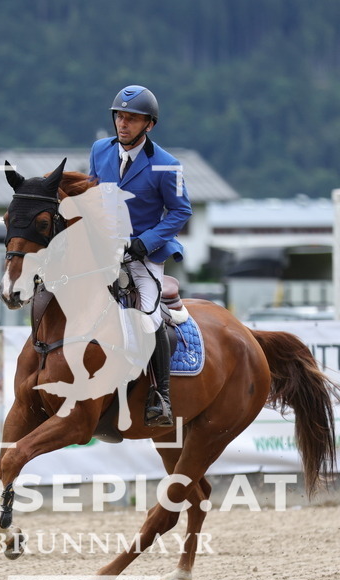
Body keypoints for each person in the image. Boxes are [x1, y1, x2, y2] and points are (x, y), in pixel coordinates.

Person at [88, 84, 192, 427]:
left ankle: (160, 397)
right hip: (105, 251)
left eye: (132, 119)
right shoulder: (100, 150)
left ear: (149, 124)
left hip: (144, 255)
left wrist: (144, 243)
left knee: (147, 316)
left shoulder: (167, 165)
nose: (123, 124)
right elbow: (91, 193)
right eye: (120, 116)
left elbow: (180, 212)